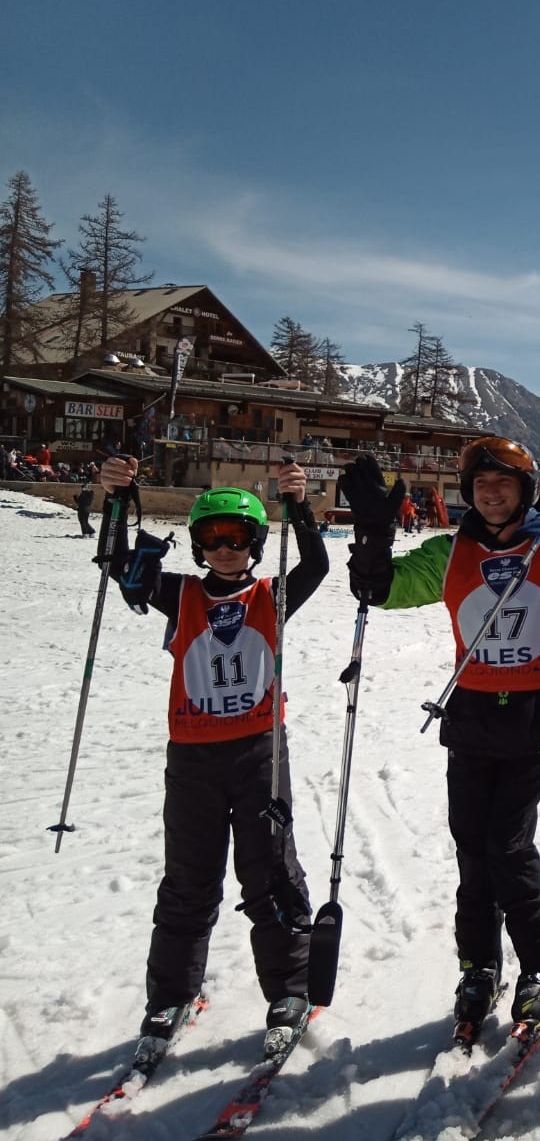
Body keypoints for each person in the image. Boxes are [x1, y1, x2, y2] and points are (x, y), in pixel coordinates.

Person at [337, 393, 540, 1040]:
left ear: (525, 490)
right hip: (471, 718)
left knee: (507, 845)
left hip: (536, 718)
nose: (492, 493)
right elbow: (380, 589)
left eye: (504, 484)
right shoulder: (451, 553)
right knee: (473, 850)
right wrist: (374, 536)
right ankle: (478, 965)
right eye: (482, 485)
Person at [98, 455, 327, 1064]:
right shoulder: (181, 592)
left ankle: (289, 992)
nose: (226, 549)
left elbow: (320, 564)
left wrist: (298, 506)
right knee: (188, 882)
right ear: (198, 545)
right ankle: (170, 997)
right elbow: (120, 567)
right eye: (212, 539)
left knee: (270, 874)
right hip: (193, 756)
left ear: (255, 543)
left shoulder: (272, 593)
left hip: (259, 753)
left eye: (238, 539)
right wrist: (118, 502)